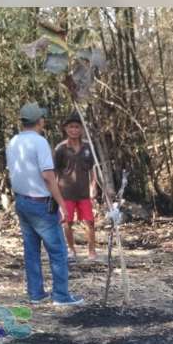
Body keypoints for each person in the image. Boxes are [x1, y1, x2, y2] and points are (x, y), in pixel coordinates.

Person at [6, 102, 84, 307]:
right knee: (57, 250)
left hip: (21, 200)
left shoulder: (13, 141)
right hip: (40, 203)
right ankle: (61, 295)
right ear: (39, 121)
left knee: (31, 249)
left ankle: (35, 293)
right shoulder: (39, 142)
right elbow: (48, 177)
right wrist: (62, 204)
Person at [53, 112, 99, 262]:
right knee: (67, 222)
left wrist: (93, 184)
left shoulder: (87, 147)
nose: (74, 130)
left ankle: (92, 251)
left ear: (81, 129)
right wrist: (55, 193)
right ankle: (71, 249)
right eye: (71, 127)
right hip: (66, 193)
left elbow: (92, 168)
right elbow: (54, 172)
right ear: (66, 129)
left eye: (77, 127)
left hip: (84, 192)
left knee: (90, 222)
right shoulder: (60, 149)